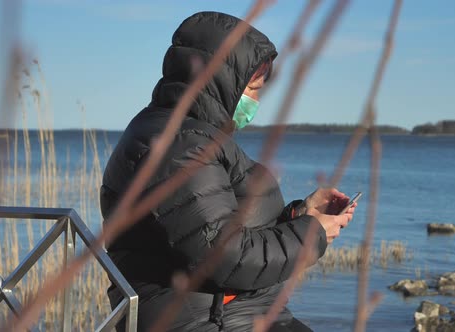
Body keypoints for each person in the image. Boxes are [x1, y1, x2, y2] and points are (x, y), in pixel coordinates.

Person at [100, 11, 356, 331]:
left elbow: (224, 222)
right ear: (221, 80)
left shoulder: (195, 134)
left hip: (237, 311)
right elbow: (223, 257)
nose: (257, 101)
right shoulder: (180, 145)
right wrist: (311, 235)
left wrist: (300, 215)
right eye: (253, 88)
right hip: (204, 319)